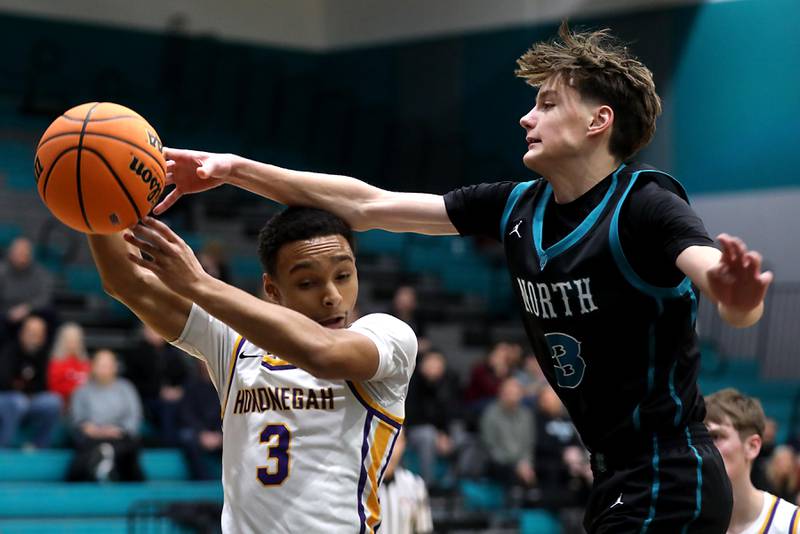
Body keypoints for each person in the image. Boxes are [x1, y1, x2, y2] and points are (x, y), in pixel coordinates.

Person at [159, 21, 775, 531]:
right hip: (615, 472)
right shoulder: (514, 207)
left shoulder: (642, 202)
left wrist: (737, 294)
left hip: (671, 470)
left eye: (546, 102)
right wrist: (232, 168)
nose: (526, 119)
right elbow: (368, 205)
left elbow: (717, 278)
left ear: (598, 122)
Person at [87, 207, 417, 532]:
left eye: (343, 276)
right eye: (307, 283)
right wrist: (90, 198)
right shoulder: (236, 345)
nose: (332, 296)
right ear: (272, 290)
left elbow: (323, 354)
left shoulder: (387, 337)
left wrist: (199, 283)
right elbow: (128, 281)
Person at [705, 389, 799, 533]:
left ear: (752, 446)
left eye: (716, 436)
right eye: (701, 438)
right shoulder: (682, 520)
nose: (704, 449)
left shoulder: (791, 524)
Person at [68, 349, 144, 482]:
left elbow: (134, 416)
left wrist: (118, 430)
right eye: (101, 365)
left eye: (107, 366)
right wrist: (89, 428)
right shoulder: (82, 390)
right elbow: (77, 417)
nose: (104, 370)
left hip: (119, 437)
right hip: (91, 437)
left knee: (131, 450)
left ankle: (107, 462)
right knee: (80, 460)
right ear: (93, 367)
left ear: (115, 367)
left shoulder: (126, 388)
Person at [0, 315, 62, 447]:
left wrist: (23, 387)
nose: (34, 336)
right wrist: (26, 388)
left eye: (38, 333)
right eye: (31, 332)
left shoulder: (43, 355)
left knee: (53, 401)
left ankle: (38, 446)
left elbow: (44, 385)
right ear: (22, 333)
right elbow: (4, 382)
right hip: (7, 400)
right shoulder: (9, 350)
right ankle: (4, 446)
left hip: (30, 400)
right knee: (17, 401)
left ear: (43, 337)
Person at [479, 377, 536, 490]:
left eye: (516, 393)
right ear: (501, 394)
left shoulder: (526, 415)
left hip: (522, 462)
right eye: (509, 393)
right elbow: (490, 446)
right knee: (505, 470)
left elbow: (529, 444)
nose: (512, 396)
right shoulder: (490, 414)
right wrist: (515, 465)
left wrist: (525, 462)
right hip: (499, 462)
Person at [378, 429, 434, 534]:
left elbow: (424, 529)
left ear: (404, 444)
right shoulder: (361, 487)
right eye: (384, 438)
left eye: (396, 440)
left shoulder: (416, 485)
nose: (389, 447)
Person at [47, 322, 91, 404]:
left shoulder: (85, 363)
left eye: (76, 340)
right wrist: (74, 390)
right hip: (63, 404)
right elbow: (53, 388)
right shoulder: (56, 364)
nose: (73, 343)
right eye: (69, 340)